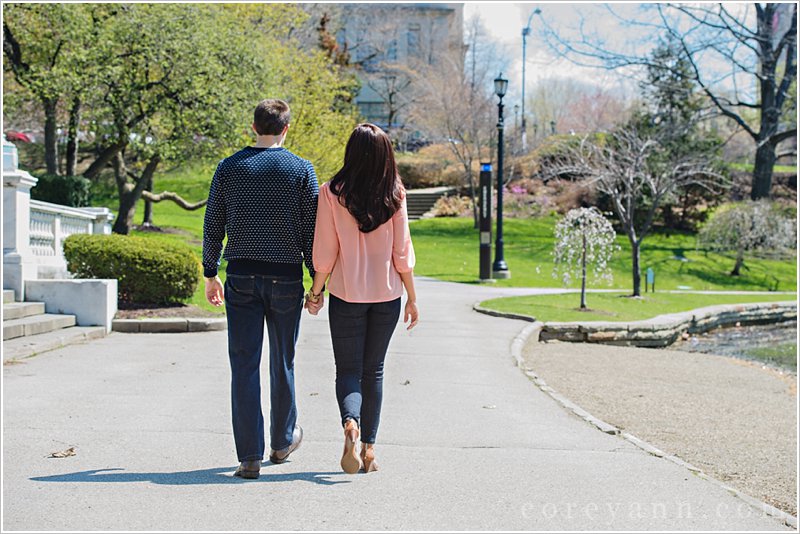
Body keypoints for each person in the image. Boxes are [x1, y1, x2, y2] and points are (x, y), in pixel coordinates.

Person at [203, 99, 318, 479]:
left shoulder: (229, 168)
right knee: (282, 360)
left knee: (244, 366)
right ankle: (282, 441)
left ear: (253, 127)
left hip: (241, 277)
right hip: (286, 278)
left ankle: (249, 456)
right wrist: (316, 279)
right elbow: (311, 230)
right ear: (286, 128)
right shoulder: (301, 170)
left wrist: (209, 272)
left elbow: (213, 224)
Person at [305, 123, 419, 474]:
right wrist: (412, 298)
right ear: (386, 155)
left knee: (349, 370)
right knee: (375, 371)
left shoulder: (331, 192)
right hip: (386, 296)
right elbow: (403, 253)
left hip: (346, 294)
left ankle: (350, 423)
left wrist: (316, 290)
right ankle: (369, 449)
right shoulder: (396, 193)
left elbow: (325, 249)